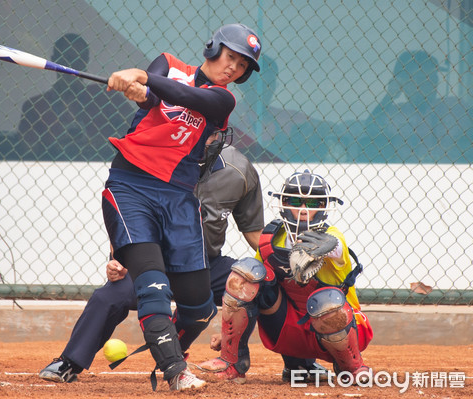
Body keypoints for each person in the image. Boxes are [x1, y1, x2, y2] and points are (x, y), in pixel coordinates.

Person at [95, 23, 262, 391]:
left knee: (199, 308)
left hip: (180, 200)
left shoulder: (223, 100)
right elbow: (153, 97)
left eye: (242, 65)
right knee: (153, 286)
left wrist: (142, 79)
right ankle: (174, 370)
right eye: (229, 56)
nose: (233, 67)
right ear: (212, 49)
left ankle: (170, 350)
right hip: (131, 187)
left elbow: (186, 97)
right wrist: (140, 91)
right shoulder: (169, 65)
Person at [38, 141, 264, 385]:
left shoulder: (238, 169)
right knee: (109, 297)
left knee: (261, 284)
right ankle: (70, 361)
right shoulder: (152, 156)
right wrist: (118, 259)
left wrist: (278, 258)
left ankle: (294, 363)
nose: (204, 135)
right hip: (150, 261)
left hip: (203, 264)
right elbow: (125, 213)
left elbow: (254, 231)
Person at [198, 170, 373, 384]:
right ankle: (236, 362)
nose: (302, 210)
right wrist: (228, 337)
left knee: (325, 301)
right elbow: (249, 290)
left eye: (312, 203)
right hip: (286, 329)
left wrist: (321, 248)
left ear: (324, 207)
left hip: (343, 329)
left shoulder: (333, 237)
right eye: (295, 201)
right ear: (283, 203)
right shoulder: (270, 239)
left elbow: (336, 247)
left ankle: (352, 368)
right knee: (245, 274)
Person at [16, 33, 134, 161]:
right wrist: (53, 145)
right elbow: (27, 149)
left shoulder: (106, 98)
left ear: (85, 61)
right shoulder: (37, 106)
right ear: (54, 61)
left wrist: (100, 142)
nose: (71, 66)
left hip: (100, 164)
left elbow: (134, 129)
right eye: (65, 59)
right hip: (51, 166)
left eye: (78, 61)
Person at [363, 49, 472, 163]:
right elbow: (370, 129)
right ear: (403, 83)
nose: (431, 82)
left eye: (433, 76)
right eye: (422, 77)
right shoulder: (396, 113)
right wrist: (389, 96)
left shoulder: (453, 106)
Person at [229, 54, 309, 163]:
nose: (265, 90)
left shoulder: (285, 117)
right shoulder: (230, 117)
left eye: (269, 83)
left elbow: (318, 125)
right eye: (259, 84)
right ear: (244, 85)